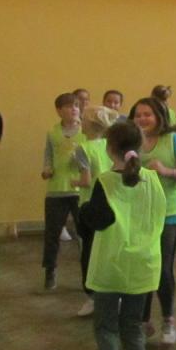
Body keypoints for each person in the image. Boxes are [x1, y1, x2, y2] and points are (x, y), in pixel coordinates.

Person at [79, 120, 166, 350]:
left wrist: (83, 212)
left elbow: (98, 219)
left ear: (108, 148)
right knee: (133, 329)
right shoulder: (152, 179)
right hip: (143, 266)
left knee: (106, 330)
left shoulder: (106, 181)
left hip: (112, 266)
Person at [130, 97, 176, 346]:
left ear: (159, 116)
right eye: (138, 115)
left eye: (147, 114)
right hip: (139, 213)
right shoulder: (132, 142)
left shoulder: (174, 140)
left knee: (162, 268)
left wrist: (167, 171)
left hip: (168, 213)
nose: (142, 119)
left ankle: (168, 320)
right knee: (142, 266)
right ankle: (143, 321)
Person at [73, 106, 121, 318]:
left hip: (90, 206)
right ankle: (114, 294)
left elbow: (85, 181)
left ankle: (92, 296)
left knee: (89, 253)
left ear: (90, 124)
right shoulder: (111, 146)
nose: (80, 122)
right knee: (109, 251)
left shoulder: (82, 149)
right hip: (112, 205)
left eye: (82, 119)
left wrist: (72, 182)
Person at [41, 92, 87, 292]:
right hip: (57, 190)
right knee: (52, 234)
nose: (74, 109)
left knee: (84, 234)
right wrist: (47, 169)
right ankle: (50, 271)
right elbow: (48, 155)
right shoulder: (53, 133)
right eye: (69, 106)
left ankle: (88, 275)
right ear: (59, 111)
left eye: (76, 105)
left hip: (80, 190)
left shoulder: (86, 131)